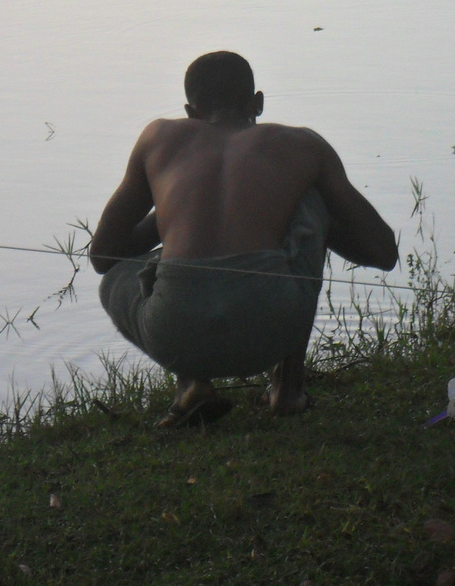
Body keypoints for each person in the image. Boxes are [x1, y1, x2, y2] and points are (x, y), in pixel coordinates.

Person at [91, 51, 398, 427]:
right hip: (271, 330)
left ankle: (192, 383)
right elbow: (383, 251)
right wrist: (305, 220)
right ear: (258, 102)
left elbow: (102, 256)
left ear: (191, 112)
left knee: (114, 282)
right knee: (311, 200)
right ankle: (288, 387)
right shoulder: (302, 146)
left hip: (174, 335)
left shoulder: (158, 136)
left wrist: (172, 212)